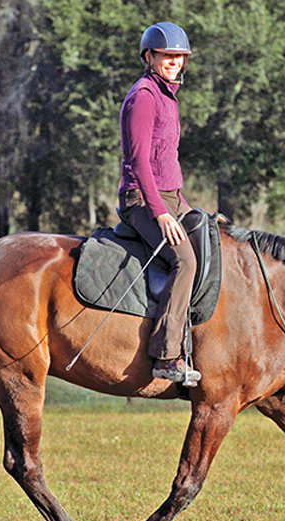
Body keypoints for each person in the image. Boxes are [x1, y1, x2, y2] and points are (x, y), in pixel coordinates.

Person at [118, 22, 201, 384]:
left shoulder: (168, 96)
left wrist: (182, 206)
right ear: (149, 56)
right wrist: (162, 213)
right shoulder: (145, 97)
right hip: (142, 199)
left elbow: (167, 161)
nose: (174, 61)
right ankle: (166, 354)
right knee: (184, 260)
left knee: (215, 238)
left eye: (179, 56)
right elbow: (140, 164)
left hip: (171, 196)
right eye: (167, 55)